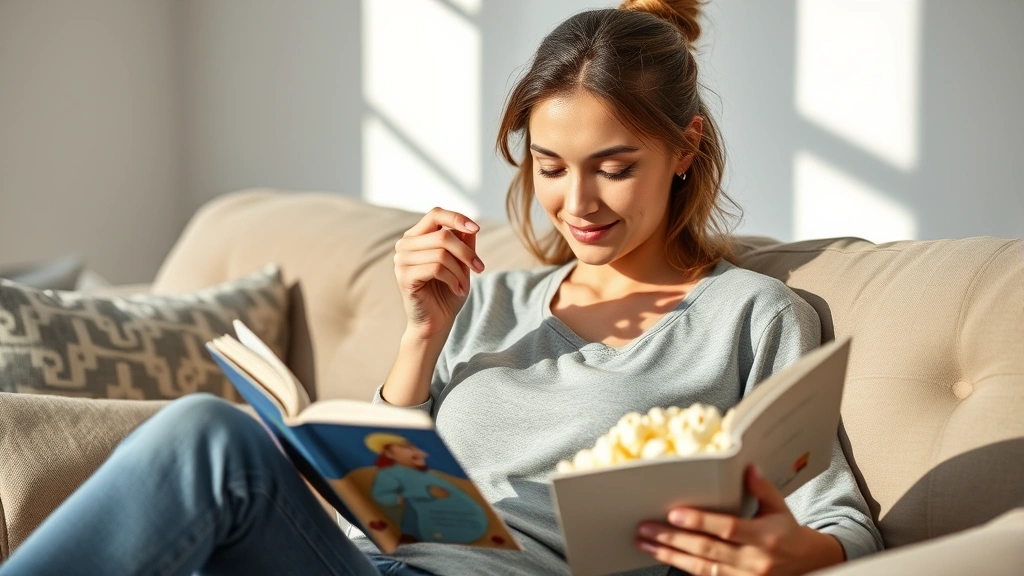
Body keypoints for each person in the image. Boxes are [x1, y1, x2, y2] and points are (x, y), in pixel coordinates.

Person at [0, 1, 883, 575]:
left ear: (684, 150)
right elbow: (381, 501)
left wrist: (791, 553)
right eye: (550, 166)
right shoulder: (492, 304)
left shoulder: (749, 317)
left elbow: (842, 518)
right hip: (375, 567)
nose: (578, 204)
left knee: (204, 434)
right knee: (209, 443)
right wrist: (422, 331)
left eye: (615, 169)